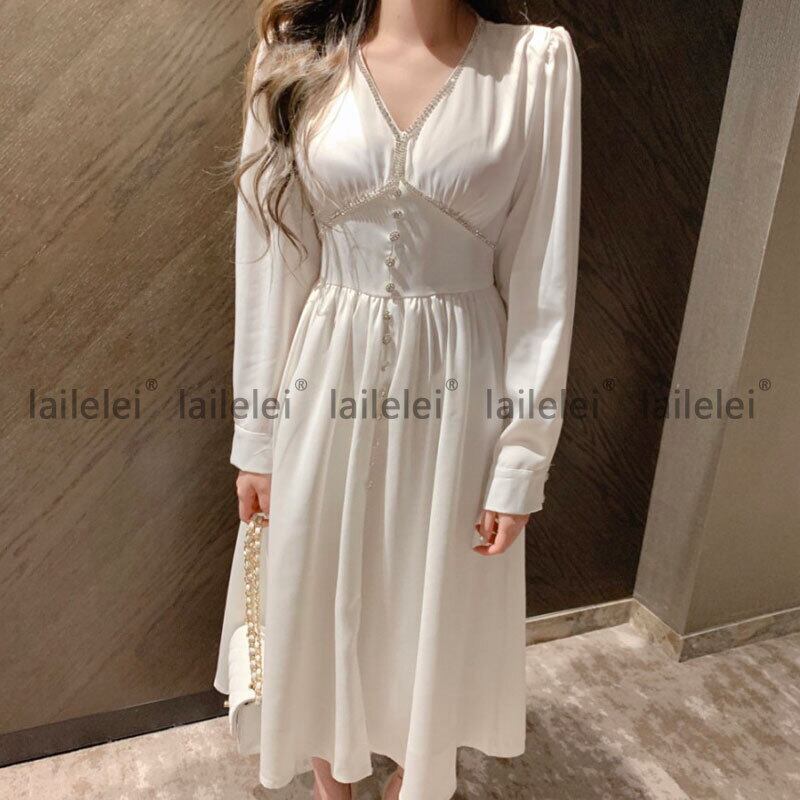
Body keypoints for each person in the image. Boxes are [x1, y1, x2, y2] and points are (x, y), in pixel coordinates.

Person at [214, 1, 581, 798]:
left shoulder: (535, 66)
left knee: (435, 594)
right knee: (316, 582)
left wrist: (523, 455)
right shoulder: (296, 57)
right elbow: (271, 262)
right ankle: (332, 785)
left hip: (462, 387)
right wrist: (259, 438)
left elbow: (543, 277)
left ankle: (415, 779)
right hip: (324, 374)